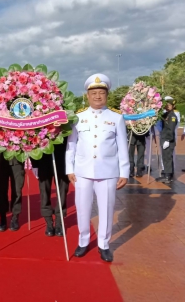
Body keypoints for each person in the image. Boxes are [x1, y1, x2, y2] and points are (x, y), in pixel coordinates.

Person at [66, 73, 129, 262]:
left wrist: (124, 172)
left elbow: (122, 147)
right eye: (94, 93)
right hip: (83, 172)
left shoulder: (116, 118)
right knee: (83, 208)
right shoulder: (78, 118)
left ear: (107, 95)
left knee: (107, 209)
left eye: (101, 93)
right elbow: (72, 145)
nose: (98, 96)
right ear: (87, 95)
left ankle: (104, 244)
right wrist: (70, 168)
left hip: (108, 171)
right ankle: (83, 241)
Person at [31, 142, 70, 237]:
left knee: (62, 191)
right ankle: (48, 222)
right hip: (43, 159)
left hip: (62, 157)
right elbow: (32, 139)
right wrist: (34, 163)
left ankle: (59, 222)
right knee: (44, 191)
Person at [0, 148, 25, 231]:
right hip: (0, 159)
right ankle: (2, 217)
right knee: (1, 190)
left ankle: (15, 217)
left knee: (17, 189)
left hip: (17, 158)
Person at [156, 99, 178, 183]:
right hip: (165, 139)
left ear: (173, 106)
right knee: (166, 157)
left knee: (167, 158)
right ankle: (168, 174)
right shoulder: (166, 114)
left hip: (168, 140)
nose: (167, 106)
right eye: (166, 105)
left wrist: (168, 140)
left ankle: (168, 176)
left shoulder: (172, 116)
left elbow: (170, 129)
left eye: (169, 105)